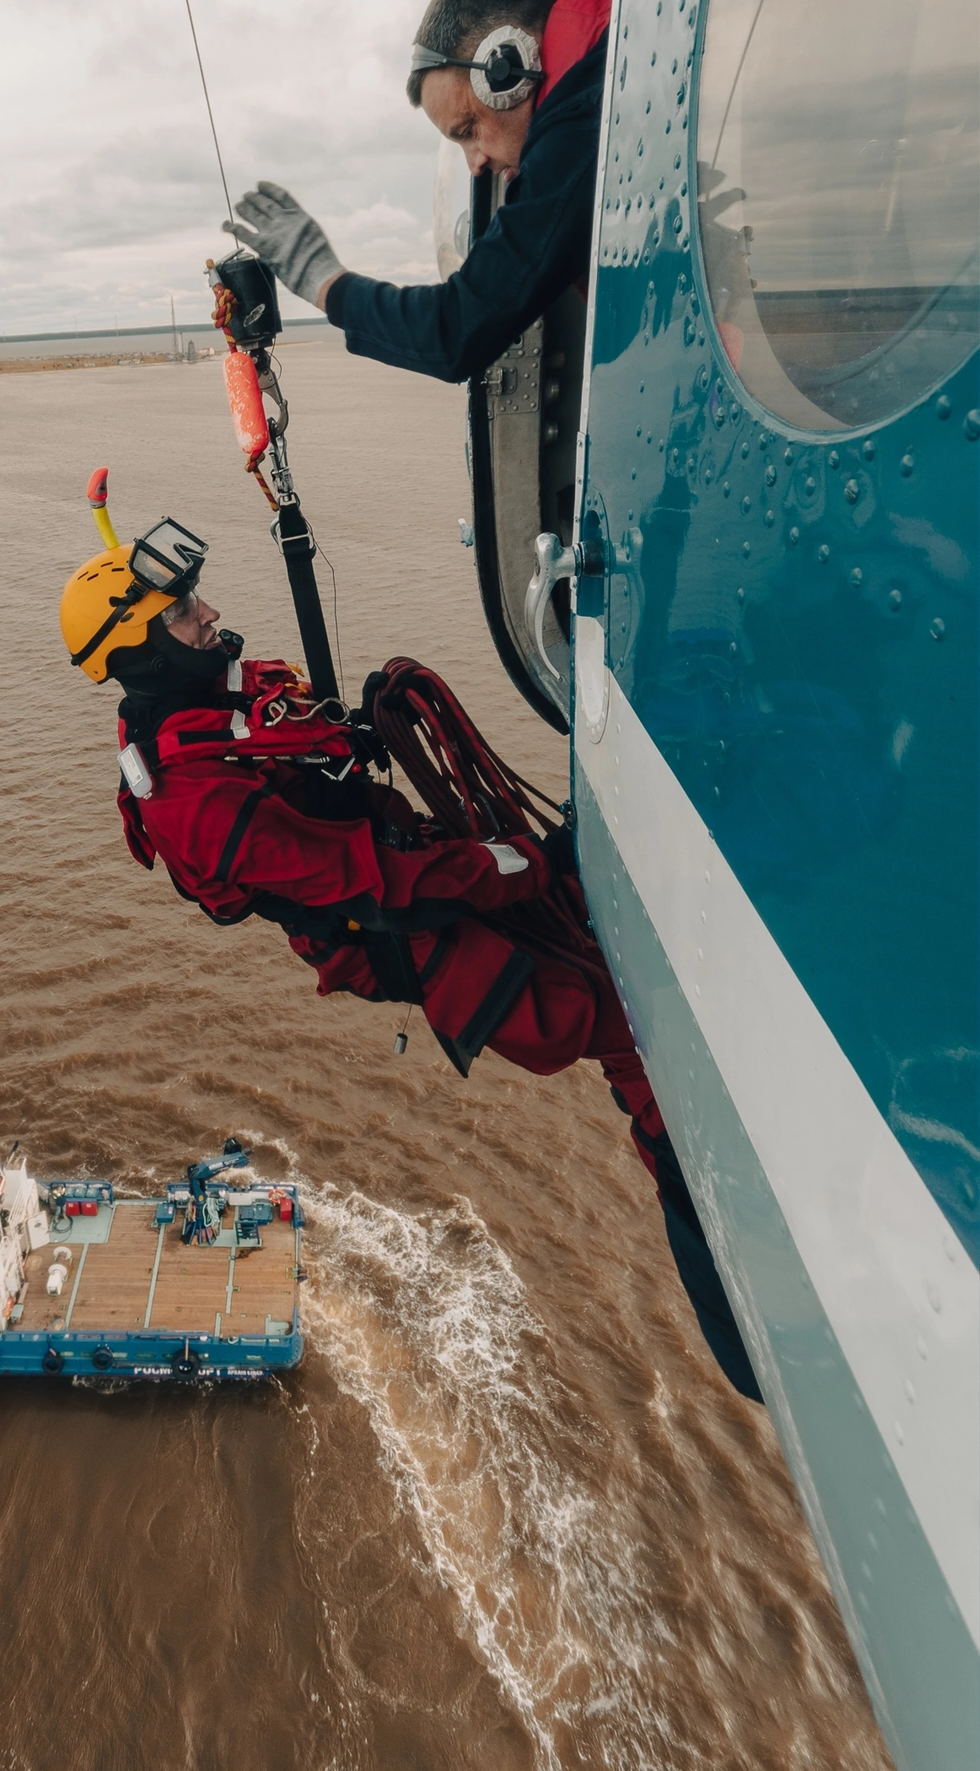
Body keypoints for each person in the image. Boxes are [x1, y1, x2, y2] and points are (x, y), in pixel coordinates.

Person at [60, 517, 763, 1402]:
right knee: (613, 1027)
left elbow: (306, 745)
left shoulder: (215, 705)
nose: (206, 615)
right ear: (140, 654)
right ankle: (742, 1308)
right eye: (180, 614)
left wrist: (349, 735)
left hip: (402, 867)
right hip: (395, 931)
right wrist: (513, 866)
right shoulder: (192, 800)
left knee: (603, 975)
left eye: (192, 599)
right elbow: (368, 881)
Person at [222, 0, 612, 383]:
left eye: (468, 129)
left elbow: (454, 332)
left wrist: (324, 280)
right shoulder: (614, 41)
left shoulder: (581, 125)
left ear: (508, 68)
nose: (476, 162)